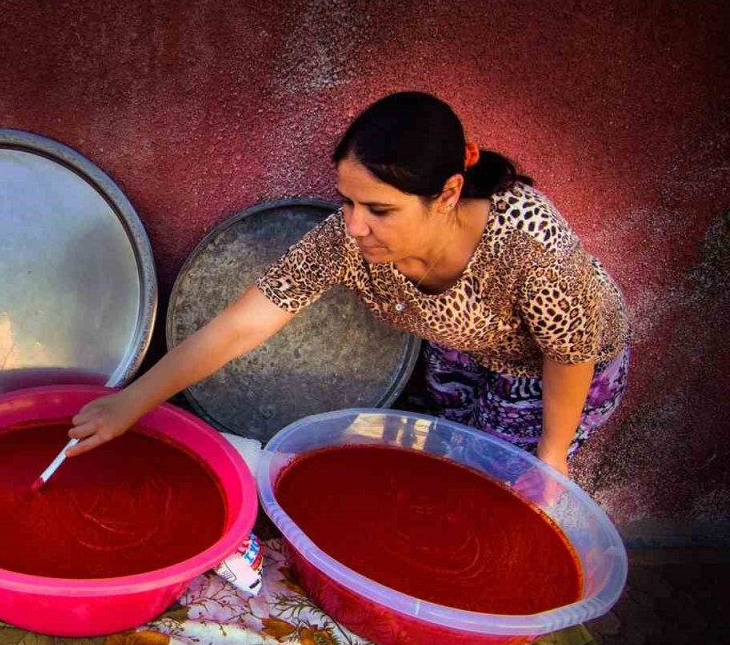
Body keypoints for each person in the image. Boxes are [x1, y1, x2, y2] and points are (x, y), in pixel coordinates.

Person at [67, 91, 630, 477]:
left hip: (558, 369)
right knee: (431, 451)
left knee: (493, 478)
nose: (354, 226)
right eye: (347, 201)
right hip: (465, 346)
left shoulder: (531, 247)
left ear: (450, 193)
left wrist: (552, 457)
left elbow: (570, 352)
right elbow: (245, 323)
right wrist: (131, 403)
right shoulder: (346, 238)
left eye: (380, 209)